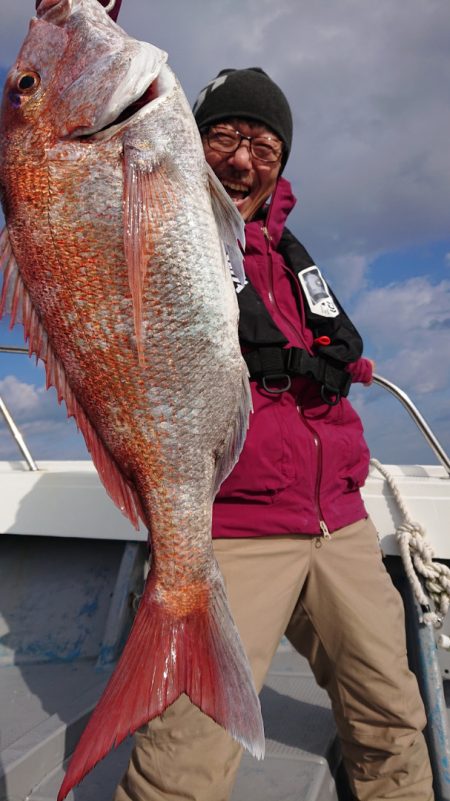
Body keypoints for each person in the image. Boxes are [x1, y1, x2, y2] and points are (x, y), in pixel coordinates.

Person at [113, 69, 434, 801]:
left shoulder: (294, 258)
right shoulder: (158, 232)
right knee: (183, 759)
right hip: (227, 528)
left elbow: (321, 351)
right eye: (223, 135)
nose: (242, 159)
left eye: (263, 142)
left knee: (391, 717)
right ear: (190, 145)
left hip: (339, 522)